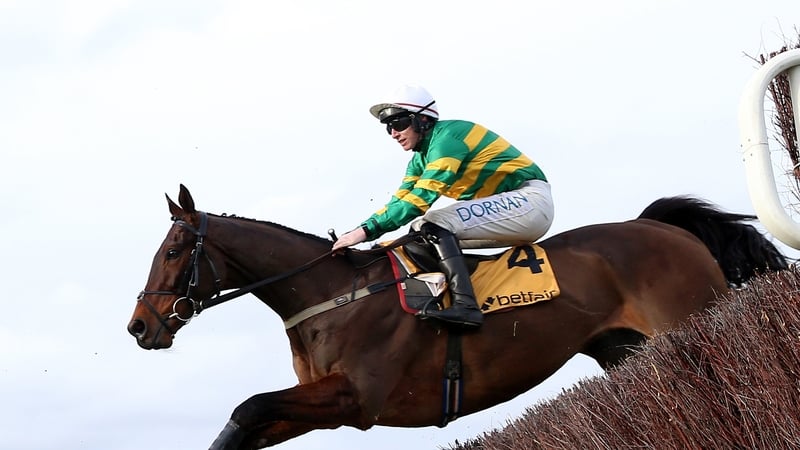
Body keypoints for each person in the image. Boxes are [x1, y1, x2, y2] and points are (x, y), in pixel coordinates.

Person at [332, 85, 554, 328]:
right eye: (388, 128)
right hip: (510, 207)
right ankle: (458, 297)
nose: (393, 133)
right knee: (416, 237)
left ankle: (466, 306)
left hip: (529, 201)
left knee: (430, 223)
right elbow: (400, 201)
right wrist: (360, 230)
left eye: (398, 124)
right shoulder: (418, 160)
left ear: (423, 120)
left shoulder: (448, 139)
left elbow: (419, 200)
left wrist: (362, 234)